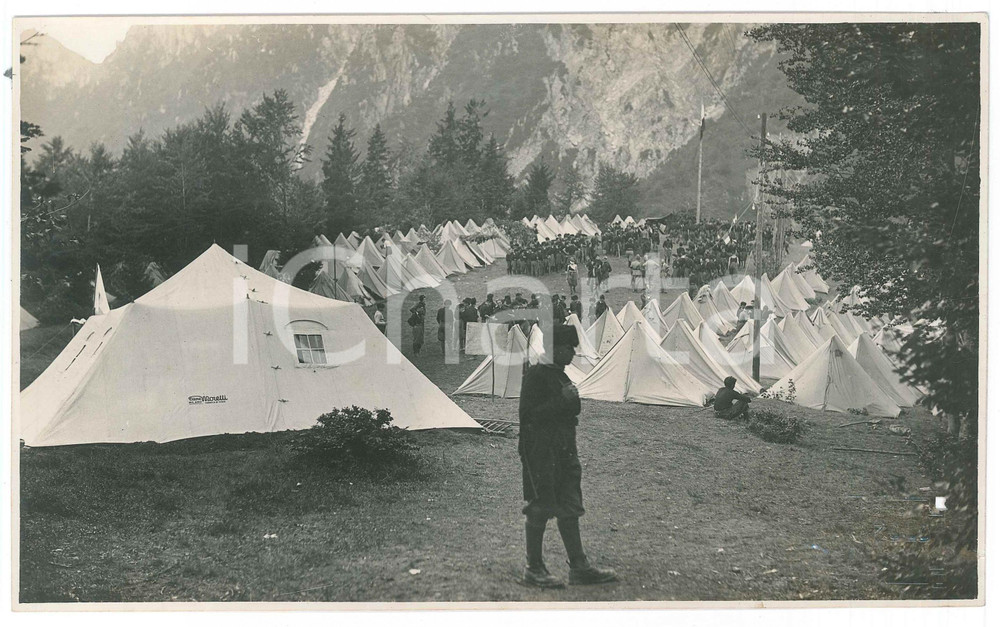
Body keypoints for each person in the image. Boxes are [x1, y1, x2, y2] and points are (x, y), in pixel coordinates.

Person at [518, 325, 618, 588]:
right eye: (569, 348)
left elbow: (574, 409)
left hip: (564, 449)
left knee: (569, 506)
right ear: (555, 349)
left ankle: (579, 567)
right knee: (540, 506)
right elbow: (529, 417)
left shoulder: (560, 375)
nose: (573, 352)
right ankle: (533, 569)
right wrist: (562, 401)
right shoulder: (537, 374)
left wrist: (569, 400)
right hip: (541, 451)